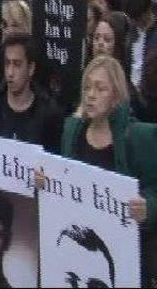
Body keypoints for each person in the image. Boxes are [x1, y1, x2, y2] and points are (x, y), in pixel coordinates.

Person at [59, 55, 157, 286]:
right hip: (78, 259)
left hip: (124, 259)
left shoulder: (138, 138)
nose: (91, 95)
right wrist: (44, 182)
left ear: (116, 97)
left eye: (100, 88)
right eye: (87, 87)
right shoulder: (72, 132)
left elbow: (154, 189)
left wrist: (149, 207)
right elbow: (62, 181)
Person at [0, 33, 62, 153]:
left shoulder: (48, 113)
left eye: (17, 64)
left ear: (31, 68)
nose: (10, 72)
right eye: (7, 63)